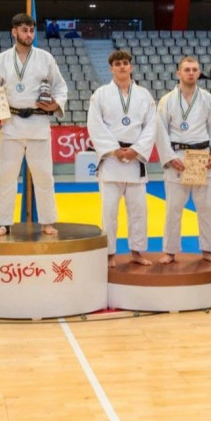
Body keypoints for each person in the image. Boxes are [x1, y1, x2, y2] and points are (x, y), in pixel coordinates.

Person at [0, 13, 67, 237]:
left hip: (38, 124)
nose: (29, 34)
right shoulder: (1, 60)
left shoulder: (46, 58)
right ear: (14, 32)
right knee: (6, 176)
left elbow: (61, 88)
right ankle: (4, 222)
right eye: (24, 30)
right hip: (11, 124)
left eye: (31, 30)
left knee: (44, 176)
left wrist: (54, 104)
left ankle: (47, 221)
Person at [86, 50, 157, 268]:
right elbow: (94, 124)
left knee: (138, 210)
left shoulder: (144, 95)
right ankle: (108, 253)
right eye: (118, 64)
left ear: (131, 67)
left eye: (126, 63)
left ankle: (136, 251)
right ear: (111, 68)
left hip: (135, 160)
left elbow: (151, 125)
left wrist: (136, 150)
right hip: (111, 160)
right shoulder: (100, 94)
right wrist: (114, 150)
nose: (122, 67)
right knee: (109, 212)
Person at [155, 56, 211, 265]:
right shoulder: (167, 100)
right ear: (179, 73)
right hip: (177, 158)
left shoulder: (208, 99)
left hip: (202, 158)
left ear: (199, 72)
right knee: (173, 209)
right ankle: (170, 251)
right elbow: (160, 132)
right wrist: (169, 158)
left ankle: (207, 250)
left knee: (207, 208)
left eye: (194, 69)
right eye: (187, 69)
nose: (191, 73)